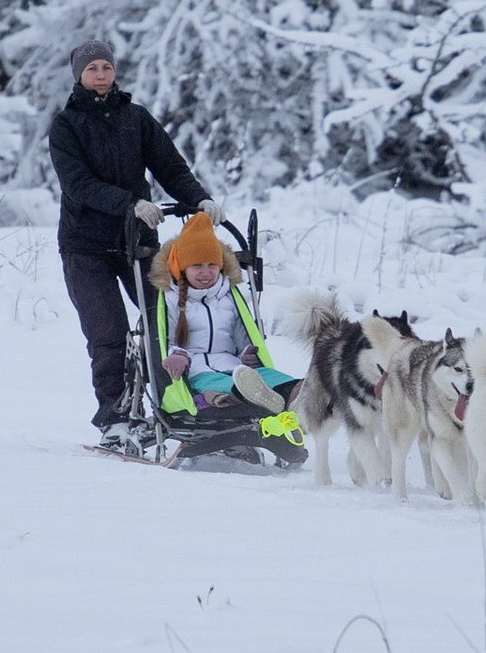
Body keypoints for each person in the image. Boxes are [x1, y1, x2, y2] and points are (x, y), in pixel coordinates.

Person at [47, 40, 209, 436]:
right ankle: (116, 418)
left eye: (106, 66)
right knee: (109, 335)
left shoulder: (135, 118)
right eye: (91, 69)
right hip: (86, 247)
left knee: (169, 324)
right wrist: (130, 203)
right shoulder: (66, 125)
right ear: (79, 76)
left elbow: (170, 166)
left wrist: (200, 199)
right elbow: (78, 185)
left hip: (138, 242)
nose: (100, 74)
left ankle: (183, 405)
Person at [154, 210, 300, 433]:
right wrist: (178, 355)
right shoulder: (171, 299)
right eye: (197, 266)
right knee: (221, 385)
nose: (206, 272)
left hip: (234, 366)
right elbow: (167, 339)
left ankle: (298, 394)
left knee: (271, 378)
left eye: (212, 265)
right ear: (183, 267)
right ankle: (251, 398)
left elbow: (243, 337)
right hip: (196, 370)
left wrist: (247, 355)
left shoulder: (229, 296)